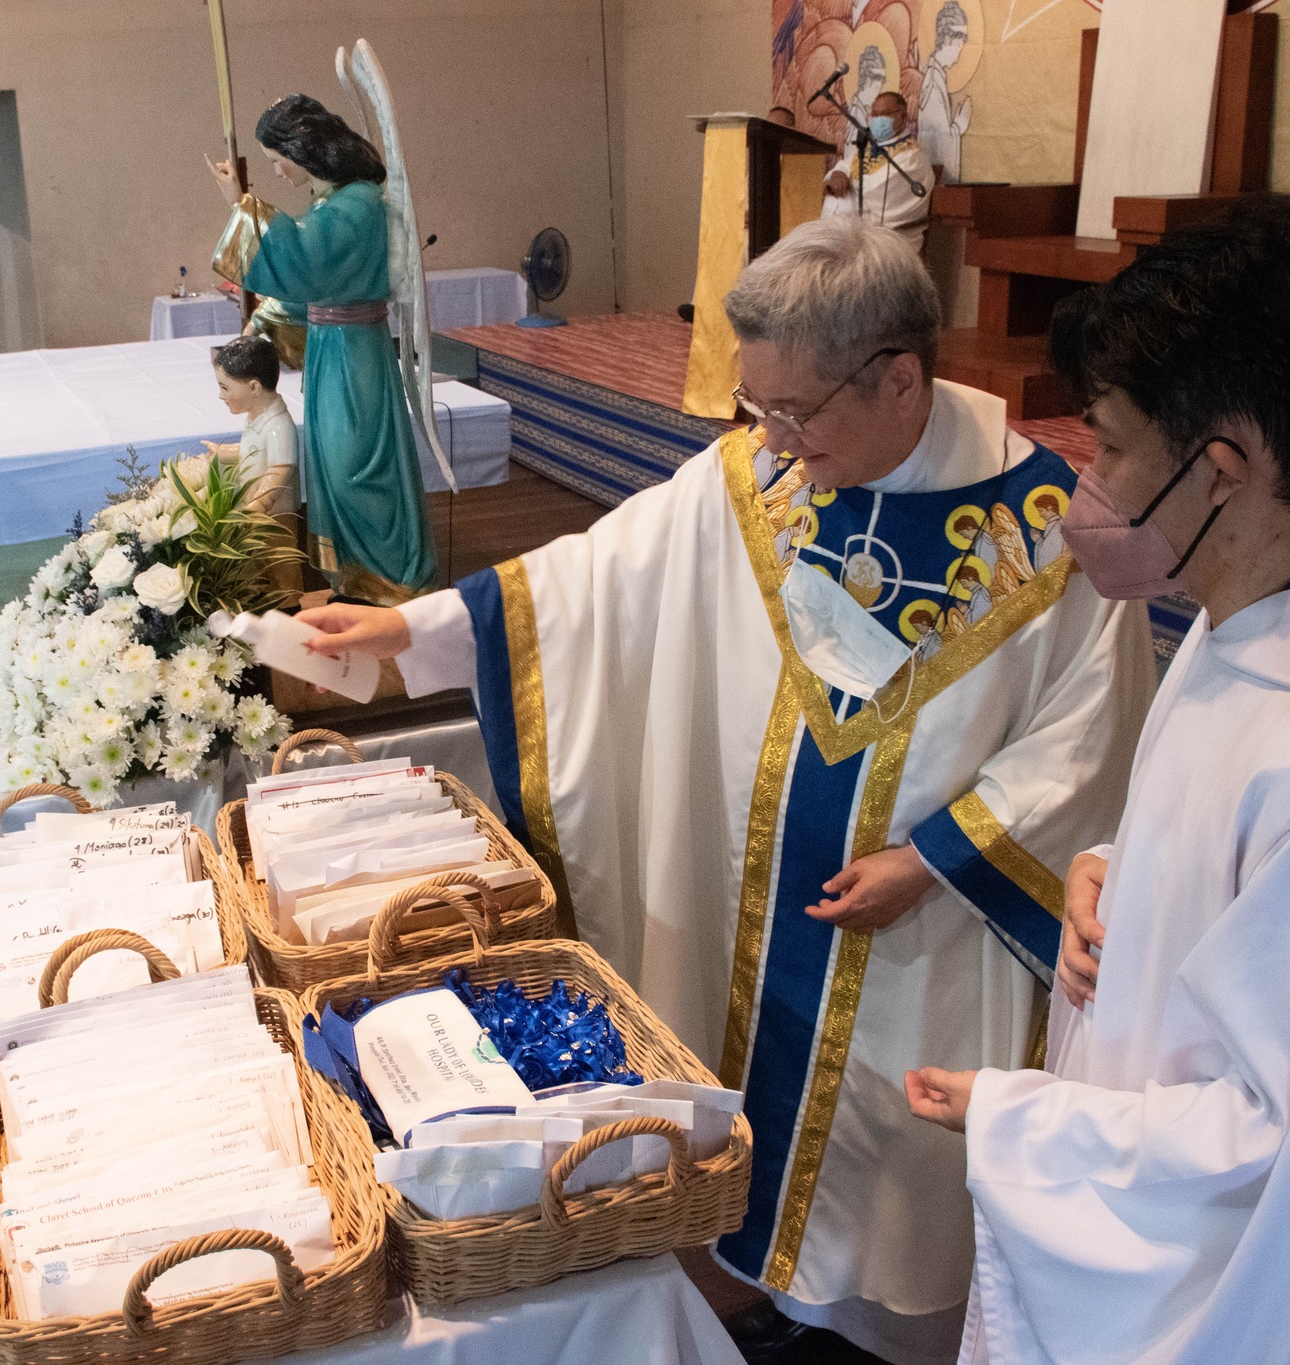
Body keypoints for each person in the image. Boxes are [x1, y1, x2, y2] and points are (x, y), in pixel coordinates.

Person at [299, 217, 1157, 1365]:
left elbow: (1088, 736)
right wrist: (408, 628)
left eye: (795, 410)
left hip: (931, 934)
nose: (774, 441)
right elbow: (589, 583)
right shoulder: (764, 472)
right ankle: (776, 1301)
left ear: (899, 378)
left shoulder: (1046, 534)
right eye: (758, 410)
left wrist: (933, 858)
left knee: (900, 1179)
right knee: (758, 1119)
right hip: (756, 908)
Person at [904, 197, 1290, 1365]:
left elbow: (1282, 1149)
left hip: (1234, 1297)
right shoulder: (1270, 615)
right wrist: (1110, 875)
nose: (1089, 484)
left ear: (1222, 468)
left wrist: (1013, 1115)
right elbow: (1217, 859)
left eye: (1111, 446)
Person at [209, 93, 437, 604]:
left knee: (357, 467)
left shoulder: (356, 205)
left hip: (354, 357)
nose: (278, 172)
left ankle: (389, 580)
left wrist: (240, 205)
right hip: (333, 350)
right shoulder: (333, 203)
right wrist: (265, 317)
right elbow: (314, 288)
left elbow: (306, 262)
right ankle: (355, 576)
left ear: (305, 149)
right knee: (336, 464)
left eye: (277, 160)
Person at [203, 334, 304, 598]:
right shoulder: (257, 418)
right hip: (256, 515)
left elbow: (280, 469)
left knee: (281, 567)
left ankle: (289, 611)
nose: (220, 396)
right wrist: (223, 453)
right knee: (260, 567)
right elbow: (254, 452)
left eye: (225, 388)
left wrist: (259, 505)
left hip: (275, 516)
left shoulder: (278, 425)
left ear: (254, 388)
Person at [822, 92, 938, 252]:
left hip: (889, 241)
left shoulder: (911, 158)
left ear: (903, 117)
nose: (877, 120)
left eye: (884, 114)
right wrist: (838, 175)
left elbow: (873, 192)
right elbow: (846, 165)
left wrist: (844, 185)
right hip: (854, 235)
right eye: (874, 114)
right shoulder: (872, 148)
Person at [917, 0, 973, 183]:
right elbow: (939, 142)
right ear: (948, 40)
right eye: (958, 46)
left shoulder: (937, 76)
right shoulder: (933, 83)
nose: (958, 54)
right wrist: (959, 126)